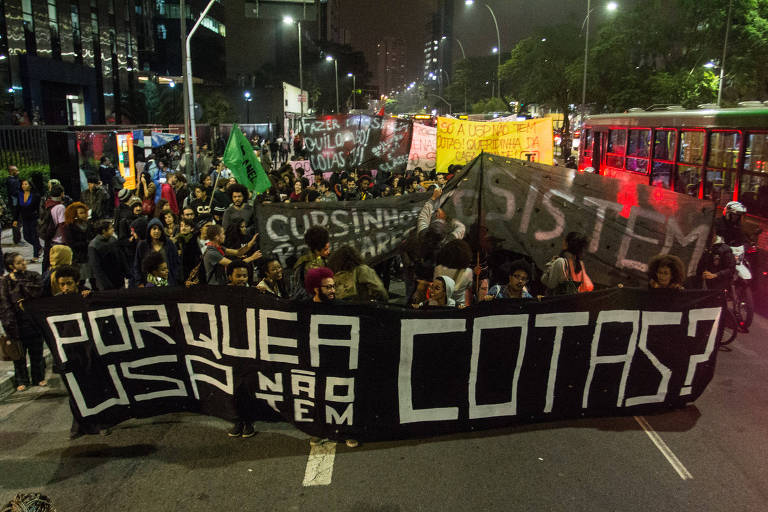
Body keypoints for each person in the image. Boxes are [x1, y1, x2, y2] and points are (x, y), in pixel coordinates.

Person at [0, 252, 45, 392]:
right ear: (11, 266)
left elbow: (37, 292)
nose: (24, 263)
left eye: (23, 260)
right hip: (16, 324)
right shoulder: (5, 282)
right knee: (18, 355)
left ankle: (38, 377)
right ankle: (22, 380)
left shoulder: (33, 276)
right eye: (19, 262)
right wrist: (8, 324)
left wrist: (19, 281)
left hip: (33, 321)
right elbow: (4, 303)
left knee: (36, 353)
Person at [133, 218, 181, 287]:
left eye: (159, 229)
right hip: (148, 284)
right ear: (149, 230)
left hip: (168, 284)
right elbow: (137, 265)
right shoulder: (142, 245)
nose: (157, 231)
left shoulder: (169, 243)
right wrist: (139, 283)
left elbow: (176, 263)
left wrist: (175, 279)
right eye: (154, 229)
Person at [291, 226, 331, 296]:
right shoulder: (311, 265)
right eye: (325, 249)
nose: (328, 252)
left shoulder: (304, 259)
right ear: (317, 250)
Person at [59, 202, 92, 285]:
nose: (84, 215)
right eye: (81, 213)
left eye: (85, 212)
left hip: (89, 256)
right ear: (74, 214)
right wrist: (86, 243)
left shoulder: (88, 224)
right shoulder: (68, 227)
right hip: (78, 258)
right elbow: (70, 244)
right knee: (80, 280)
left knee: (93, 279)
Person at [433, 239, 473, 306]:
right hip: (458, 307)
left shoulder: (438, 269)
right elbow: (469, 288)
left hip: (440, 306)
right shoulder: (468, 272)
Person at [88, 219, 123, 291]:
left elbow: (120, 256)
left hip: (118, 278)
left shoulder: (113, 239)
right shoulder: (94, 245)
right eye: (111, 228)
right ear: (104, 231)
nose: (113, 229)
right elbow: (96, 268)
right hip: (106, 283)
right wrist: (105, 284)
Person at [39, 183, 67, 271]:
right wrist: (68, 240)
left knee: (47, 261)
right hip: (58, 239)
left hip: (48, 237)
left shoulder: (47, 204)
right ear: (62, 193)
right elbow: (62, 225)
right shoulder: (60, 207)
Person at [14, 178, 41, 262]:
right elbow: (17, 208)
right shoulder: (20, 195)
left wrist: (40, 218)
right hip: (24, 219)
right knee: (26, 236)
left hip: (34, 218)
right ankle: (39, 247)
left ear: (30, 185)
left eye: (26, 184)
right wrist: (15, 219)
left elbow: (38, 208)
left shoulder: (36, 195)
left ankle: (36, 255)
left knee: (34, 236)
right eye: (22, 184)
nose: (24, 186)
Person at [6, 164, 22, 243]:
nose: (18, 171)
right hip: (15, 204)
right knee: (16, 220)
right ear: (12, 171)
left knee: (18, 220)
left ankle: (17, 238)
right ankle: (16, 239)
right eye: (16, 170)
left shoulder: (14, 179)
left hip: (15, 203)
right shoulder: (11, 181)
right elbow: (14, 192)